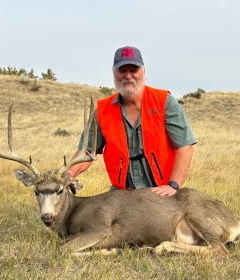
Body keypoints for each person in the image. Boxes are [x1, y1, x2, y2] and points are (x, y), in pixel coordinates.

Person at [66, 46, 197, 196]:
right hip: (123, 195)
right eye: (122, 71)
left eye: (133, 70)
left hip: (160, 193)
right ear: (114, 72)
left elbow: (185, 147)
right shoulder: (103, 111)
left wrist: (173, 186)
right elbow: (87, 152)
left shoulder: (164, 102)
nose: (128, 76)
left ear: (143, 71)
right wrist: (68, 173)